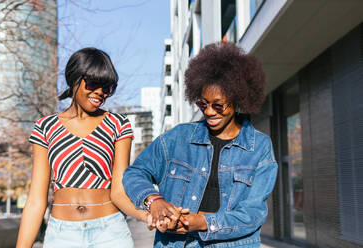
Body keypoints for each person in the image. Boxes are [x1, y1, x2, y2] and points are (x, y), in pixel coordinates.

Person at [123, 42, 278, 247]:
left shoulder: (259, 147)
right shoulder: (179, 138)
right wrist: (153, 201)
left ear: (238, 99)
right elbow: (135, 172)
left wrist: (202, 223)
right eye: (202, 104)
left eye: (218, 105)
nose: (209, 111)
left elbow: (252, 213)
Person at [16, 48, 148, 248]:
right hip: (62, 236)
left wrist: (147, 216)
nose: (100, 92)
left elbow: (119, 192)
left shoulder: (118, 124)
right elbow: (36, 199)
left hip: (110, 233)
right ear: (74, 79)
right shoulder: (45, 127)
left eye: (107, 87)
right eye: (93, 84)